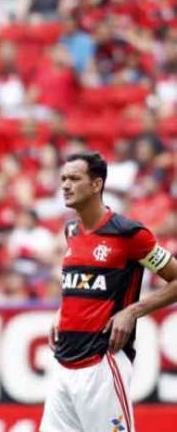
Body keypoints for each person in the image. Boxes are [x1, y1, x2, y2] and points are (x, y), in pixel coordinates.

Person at [40, 152, 177, 432]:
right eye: (63, 178)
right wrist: (61, 313)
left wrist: (133, 311)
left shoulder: (129, 234)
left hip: (102, 363)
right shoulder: (71, 231)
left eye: (74, 178)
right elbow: (80, 282)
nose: (65, 185)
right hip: (63, 365)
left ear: (96, 185)